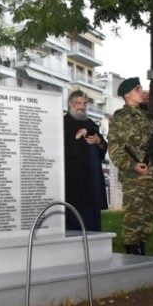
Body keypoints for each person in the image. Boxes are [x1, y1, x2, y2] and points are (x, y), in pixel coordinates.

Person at [108, 77, 153, 255]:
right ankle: (132, 249)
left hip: (151, 173)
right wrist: (132, 165)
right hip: (133, 175)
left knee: (148, 214)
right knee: (135, 212)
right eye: (137, 89)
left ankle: (141, 245)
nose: (142, 92)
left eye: (141, 88)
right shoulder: (120, 118)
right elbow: (115, 149)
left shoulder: (149, 118)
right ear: (127, 95)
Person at [63, 90, 108, 232]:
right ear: (70, 104)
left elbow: (103, 147)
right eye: (78, 103)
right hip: (73, 184)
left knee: (92, 221)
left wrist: (98, 141)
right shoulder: (63, 123)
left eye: (84, 104)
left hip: (92, 183)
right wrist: (76, 137)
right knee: (75, 222)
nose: (81, 107)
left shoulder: (89, 123)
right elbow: (60, 150)